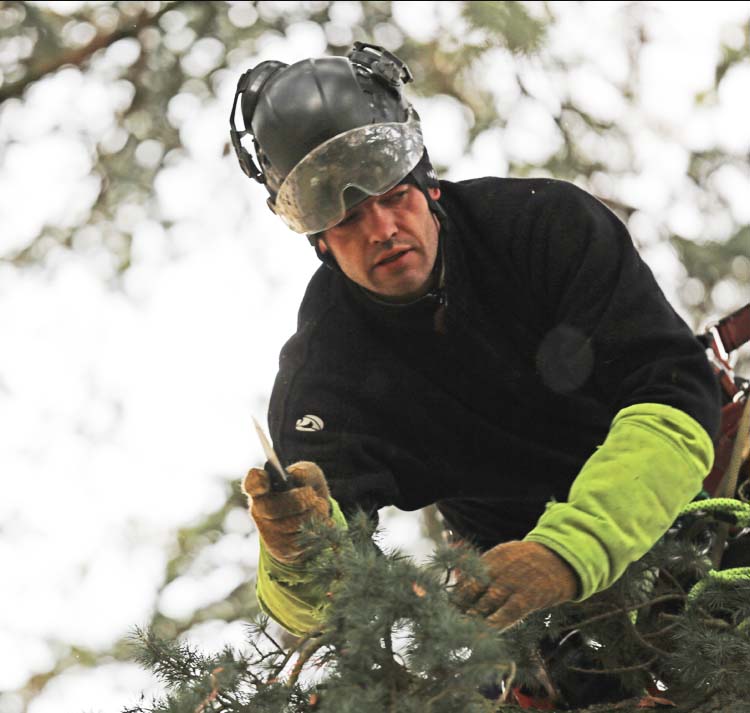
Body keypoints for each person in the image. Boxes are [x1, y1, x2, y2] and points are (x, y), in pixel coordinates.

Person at [229, 43, 721, 637]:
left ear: (429, 184)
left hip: (698, 503)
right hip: (534, 606)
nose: (382, 230)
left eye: (393, 196)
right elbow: (324, 604)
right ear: (319, 243)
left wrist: (567, 552)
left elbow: (675, 399)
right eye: (348, 219)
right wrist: (292, 556)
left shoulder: (543, 228)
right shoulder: (327, 377)